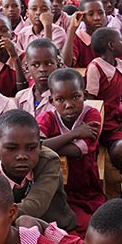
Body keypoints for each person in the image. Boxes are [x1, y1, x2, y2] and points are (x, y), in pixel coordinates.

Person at [38, 69, 105, 233]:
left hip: (88, 187)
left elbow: (78, 150)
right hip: (59, 192)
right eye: (60, 99)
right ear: (51, 100)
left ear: (85, 95)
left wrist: (48, 144)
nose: (69, 105)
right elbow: (35, 146)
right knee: (82, 227)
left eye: (75, 97)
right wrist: (75, 133)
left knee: (104, 222)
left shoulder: (92, 115)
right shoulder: (46, 118)